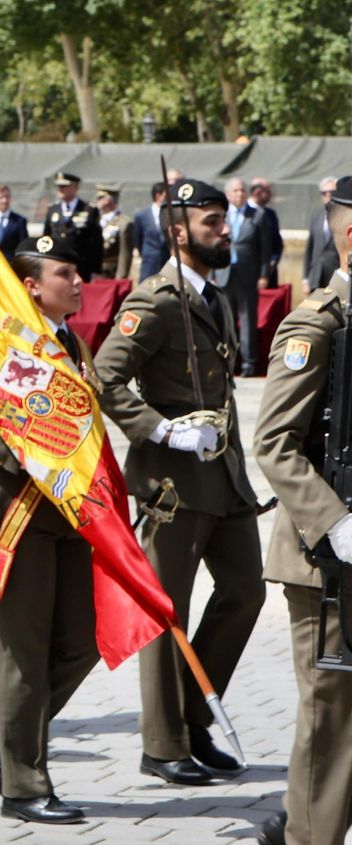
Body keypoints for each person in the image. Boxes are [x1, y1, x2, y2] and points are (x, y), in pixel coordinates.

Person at [94, 177, 263, 787]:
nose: (225, 230)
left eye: (224, 220)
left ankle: (194, 717)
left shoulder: (212, 298)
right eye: (212, 222)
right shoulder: (154, 301)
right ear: (178, 231)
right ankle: (163, 743)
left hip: (223, 478)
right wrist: (161, 431)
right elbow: (104, 378)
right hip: (173, 485)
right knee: (170, 612)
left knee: (246, 592)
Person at [0, 235, 99, 824]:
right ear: (32, 285)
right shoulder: (7, 342)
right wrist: (31, 452)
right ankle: (24, 787)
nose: (78, 283)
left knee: (83, 643)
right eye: (65, 273)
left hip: (70, 515)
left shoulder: (72, 341)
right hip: (20, 514)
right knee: (23, 654)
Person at [251, 174, 352, 845]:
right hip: (329, 564)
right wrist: (337, 522)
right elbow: (276, 443)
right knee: (330, 723)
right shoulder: (319, 323)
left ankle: (307, 834)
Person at [223, 177, 269, 376]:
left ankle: (248, 363)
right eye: (235, 191)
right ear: (227, 195)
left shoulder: (257, 215)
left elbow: (265, 249)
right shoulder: (221, 215)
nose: (239, 194)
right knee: (225, 319)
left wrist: (264, 274)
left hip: (247, 274)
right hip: (224, 273)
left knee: (247, 318)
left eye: (242, 190)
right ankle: (227, 362)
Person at [43, 172, 103, 281]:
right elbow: (46, 238)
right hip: (57, 264)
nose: (60, 189)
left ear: (75, 187)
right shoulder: (53, 210)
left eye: (64, 186)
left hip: (81, 267)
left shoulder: (88, 210)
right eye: (59, 186)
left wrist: (96, 270)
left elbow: (97, 243)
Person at [303, 176, 340, 294]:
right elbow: (310, 248)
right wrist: (305, 278)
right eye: (324, 193)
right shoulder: (317, 216)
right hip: (316, 277)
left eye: (332, 192)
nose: (328, 195)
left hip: (336, 277)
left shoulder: (345, 217)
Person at [128, 182, 171, 281]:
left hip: (167, 261)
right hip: (149, 262)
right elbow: (137, 239)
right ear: (158, 196)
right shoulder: (142, 216)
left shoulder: (172, 215)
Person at [96, 183, 133, 280]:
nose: (97, 201)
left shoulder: (124, 223)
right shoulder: (96, 219)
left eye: (100, 198)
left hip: (111, 275)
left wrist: (120, 278)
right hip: (95, 274)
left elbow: (125, 254)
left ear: (108, 200)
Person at [0, 184, 27, 261]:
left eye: (7, 197)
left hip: (10, 266)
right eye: (1, 197)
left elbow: (23, 247)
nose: (5, 201)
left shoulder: (19, 221)